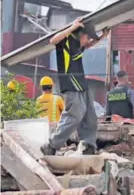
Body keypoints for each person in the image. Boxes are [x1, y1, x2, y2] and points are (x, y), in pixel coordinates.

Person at [41, 17, 109, 155]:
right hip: (71, 85)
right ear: (82, 35)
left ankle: (88, 146)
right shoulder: (66, 41)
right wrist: (72, 27)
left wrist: (102, 37)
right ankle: (51, 145)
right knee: (74, 117)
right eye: (88, 38)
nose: (88, 41)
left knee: (90, 118)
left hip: (82, 86)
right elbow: (52, 40)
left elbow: (88, 46)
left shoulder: (78, 45)